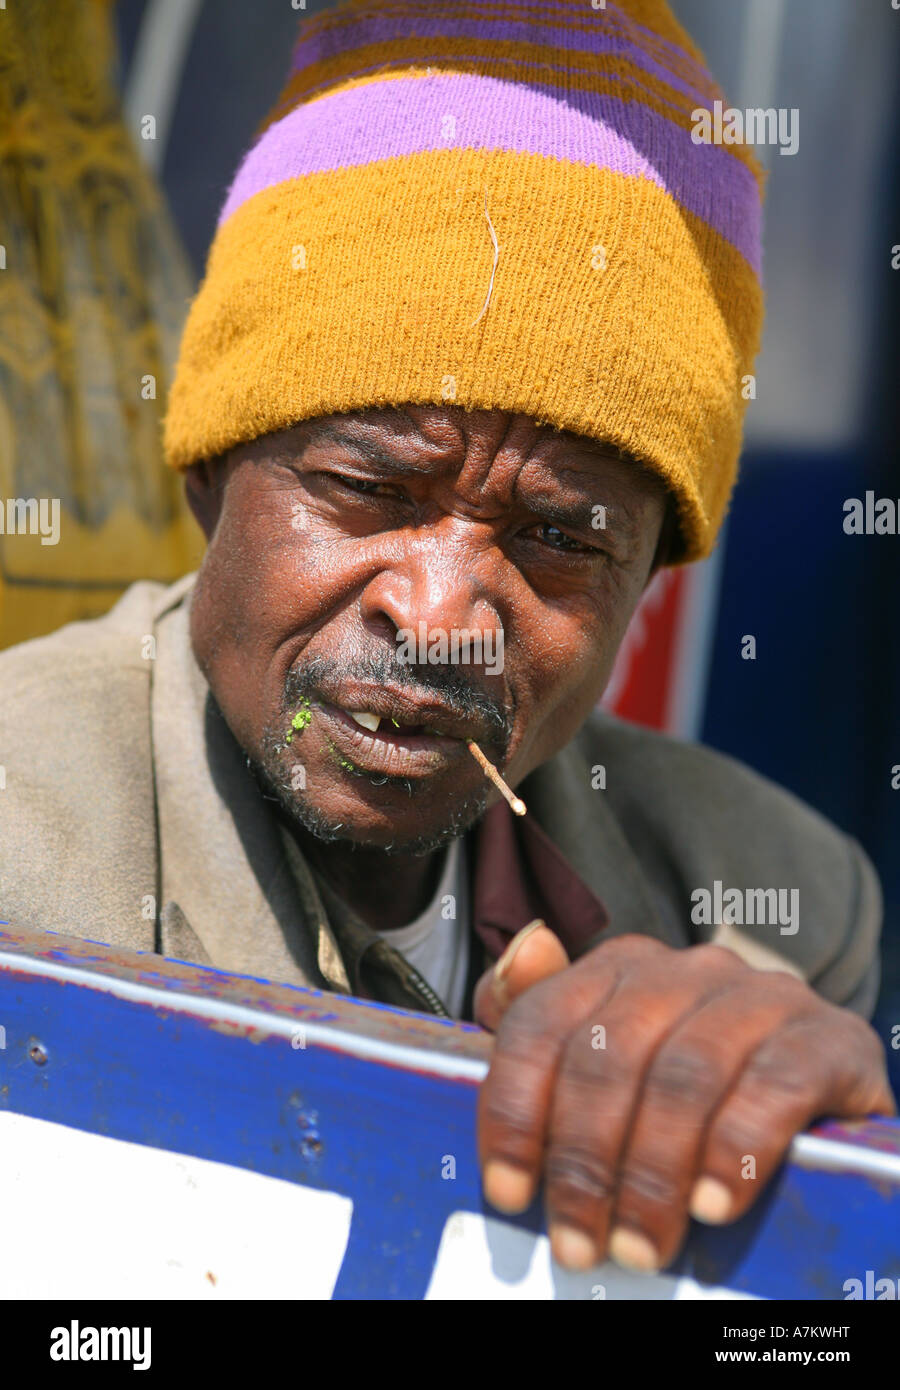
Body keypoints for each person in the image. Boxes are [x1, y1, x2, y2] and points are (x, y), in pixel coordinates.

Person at [1, 0, 893, 1278]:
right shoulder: (19, 851)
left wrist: (821, 1184)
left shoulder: (778, 905)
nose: (436, 619)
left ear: (647, 582)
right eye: (368, 488)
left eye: (559, 538)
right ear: (206, 469)